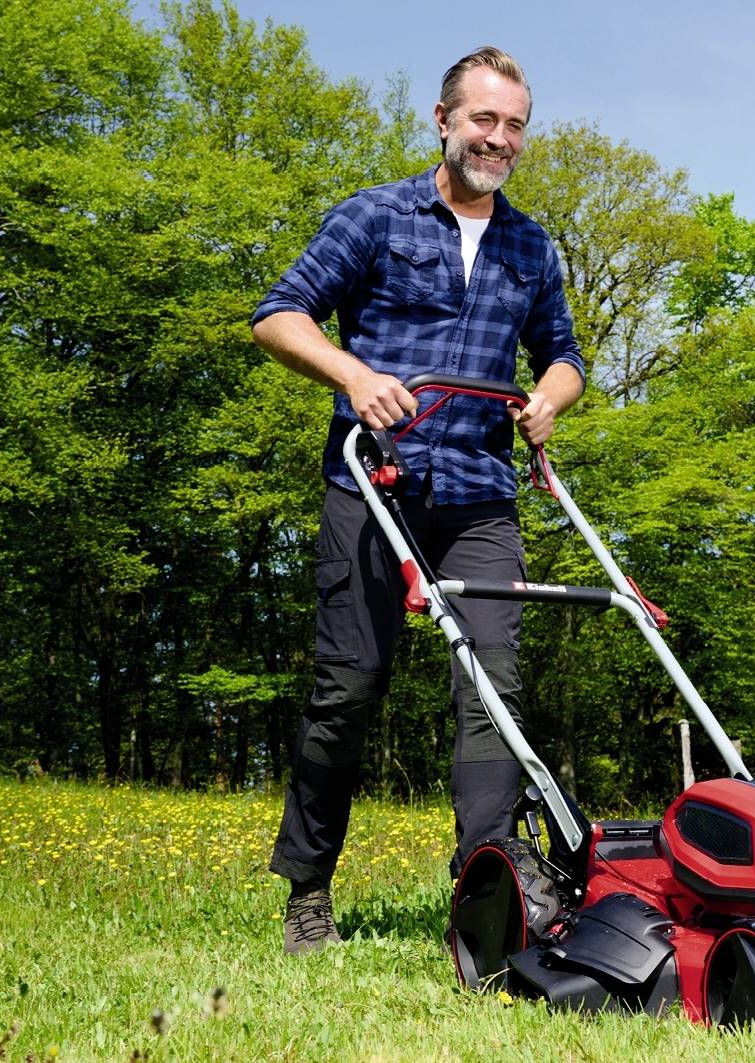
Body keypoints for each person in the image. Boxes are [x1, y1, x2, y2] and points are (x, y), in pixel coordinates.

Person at [249, 46, 584, 955]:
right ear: (443, 121)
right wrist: (355, 374)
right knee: (346, 686)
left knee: (493, 693)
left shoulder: (530, 245)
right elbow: (280, 314)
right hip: (374, 481)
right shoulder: (375, 217)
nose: (499, 138)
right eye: (484, 120)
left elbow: (565, 352)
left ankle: (487, 892)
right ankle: (308, 888)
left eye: (514, 125)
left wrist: (552, 394)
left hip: (480, 493)